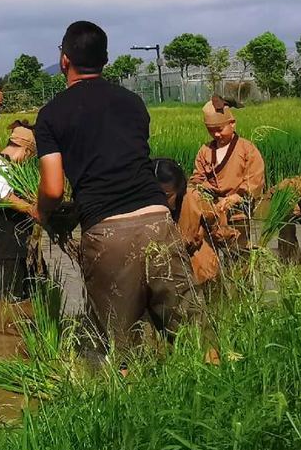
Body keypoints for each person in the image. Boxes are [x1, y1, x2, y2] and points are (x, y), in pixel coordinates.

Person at [35, 20, 189, 352]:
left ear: (65, 60)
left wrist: (41, 213)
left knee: (122, 349)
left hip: (108, 234)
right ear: (105, 60)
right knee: (193, 336)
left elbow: (52, 189)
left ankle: (130, 398)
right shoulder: (133, 102)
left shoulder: (51, 115)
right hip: (159, 221)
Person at [179, 98, 267, 283]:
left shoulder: (246, 148)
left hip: (237, 213)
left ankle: (243, 295)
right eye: (211, 131)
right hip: (211, 212)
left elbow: (254, 179)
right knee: (209, 258)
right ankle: (216, 292)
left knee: (239, 257)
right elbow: (197, 178)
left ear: (232, 124)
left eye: (220, 129)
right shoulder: (205, 150)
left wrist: (236, 196)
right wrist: (198, 190)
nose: (217, 135)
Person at [0, 122, 41, 306]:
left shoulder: (12, 168)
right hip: (4, 247)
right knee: (3, 300)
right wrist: (33, 210)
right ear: (26, 151)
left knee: (19, 297)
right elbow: (3, 196)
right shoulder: (1, 166)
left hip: (16, 247)